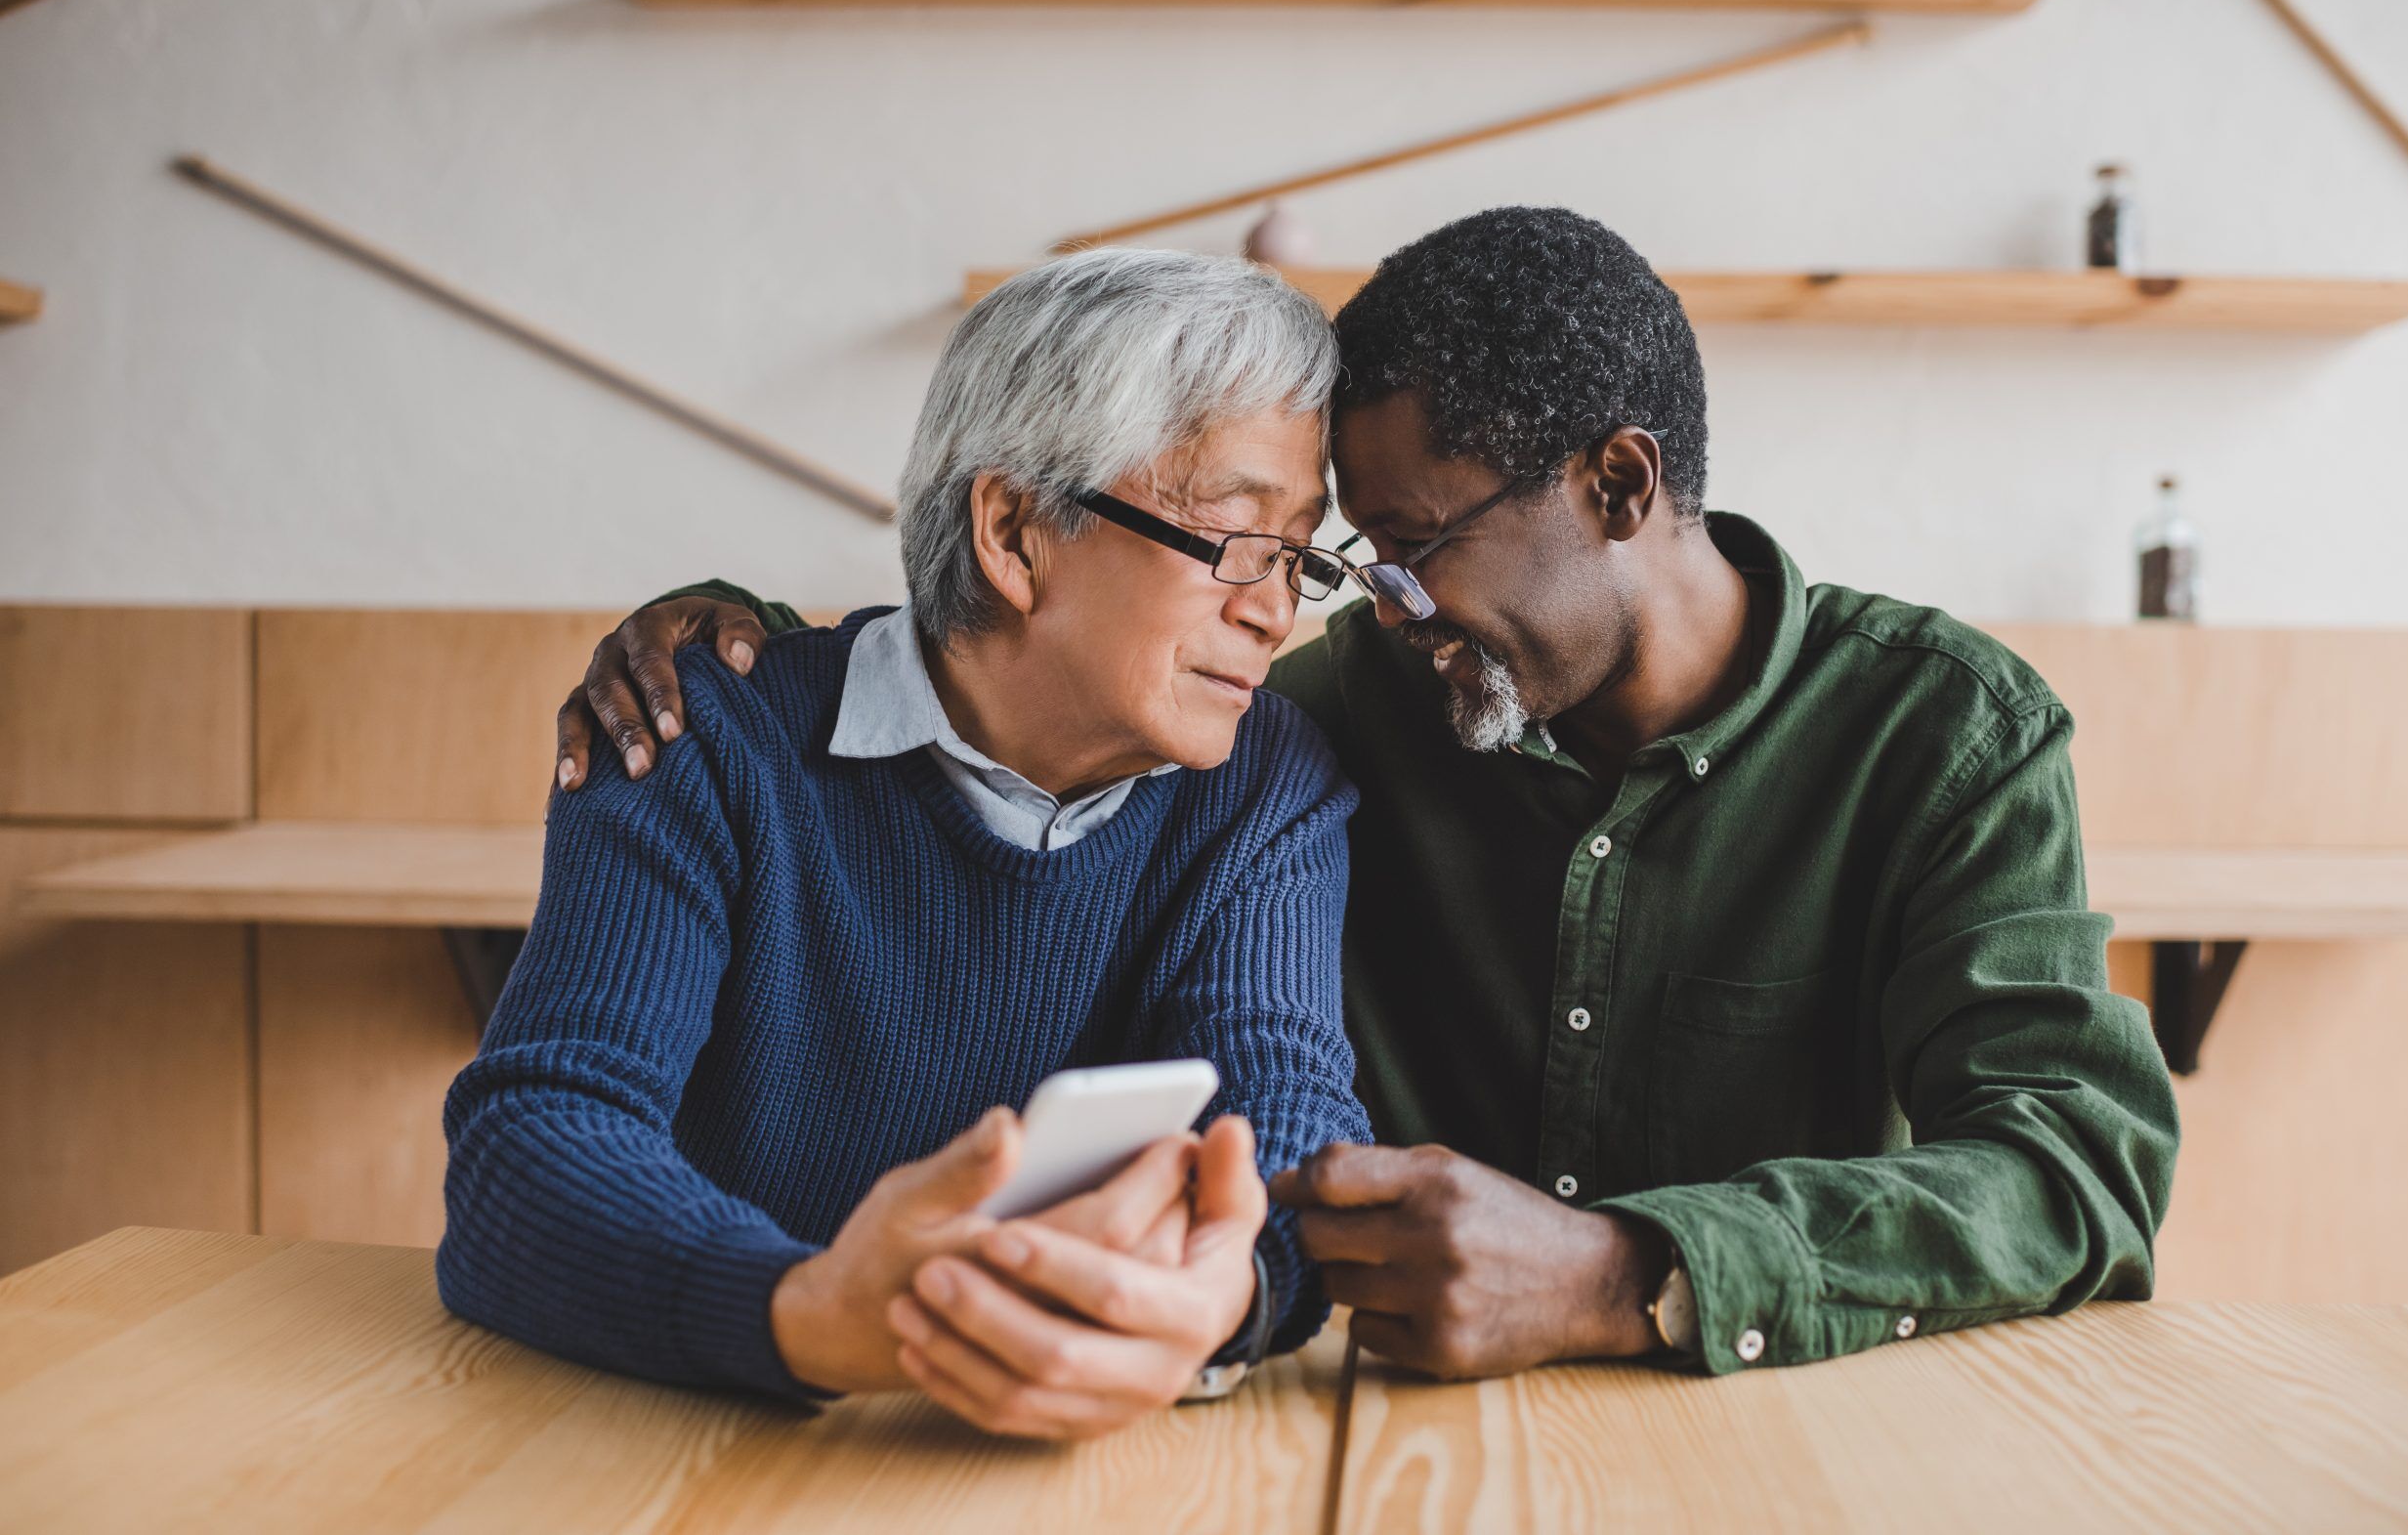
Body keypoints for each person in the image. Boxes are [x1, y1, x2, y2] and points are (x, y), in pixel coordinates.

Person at [554, 206, 2179, 1394]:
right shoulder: (1322, 711)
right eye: (1336, 556)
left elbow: (2079, 1166)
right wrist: (718, 637)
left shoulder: (1940, 730)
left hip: (1785, 1434)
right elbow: (990, 651)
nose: (1347, 607)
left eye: (1396, 550)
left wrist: (1633, 1267)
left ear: (1619, 487)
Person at [440, 247, 1372, 1439]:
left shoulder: (1264, 784)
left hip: (1075, 1456)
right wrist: (810, 1310)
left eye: (1296, 553)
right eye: (1236, 539)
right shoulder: (702, 736)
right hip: (701, 1438)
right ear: (1014, 530)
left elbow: (1292, 1123)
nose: (1273, 607)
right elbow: (533, 1143)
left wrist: (1224, 1296)